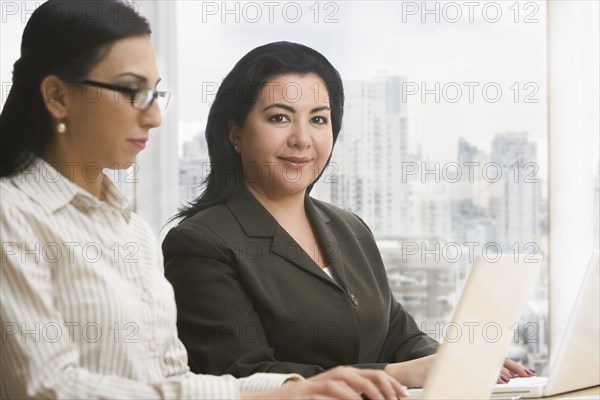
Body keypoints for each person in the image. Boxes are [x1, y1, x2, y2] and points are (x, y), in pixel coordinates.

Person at [0, 2, 409, 399]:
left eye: (156, 94)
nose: (155, 117)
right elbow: (50, 388)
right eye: (130, 90)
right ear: (57, 95)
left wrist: (293, 389)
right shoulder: (11, 217)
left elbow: (175, 378)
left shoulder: (131, 231)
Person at [162, 41, 538, 388]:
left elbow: (397, 335)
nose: (301, 139)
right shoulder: (200, 243)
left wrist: (458, 361)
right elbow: (241, 374)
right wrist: (392, 375)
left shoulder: (348, 227)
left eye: (318, 119)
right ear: (236, 134)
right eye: (279, 118)